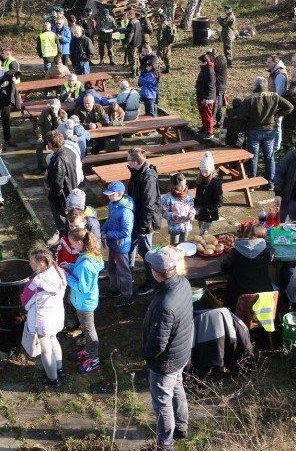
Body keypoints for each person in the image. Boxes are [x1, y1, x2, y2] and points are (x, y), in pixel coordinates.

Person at [141, 247, 193, 451]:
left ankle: (165, 445)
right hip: (181, 353)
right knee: (178, 387)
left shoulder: (165, 303)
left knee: (162, 404)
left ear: (156, 272)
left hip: (166, 362)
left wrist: (146, 355)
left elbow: (157, 344)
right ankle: (181, 427)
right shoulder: (184, 283)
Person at [234, 76, 293, 189]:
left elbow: (240, 114)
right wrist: (278, 114)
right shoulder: (274, 96)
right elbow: (290, 107)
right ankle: (271, 183)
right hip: (270, 131)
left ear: (256, 86)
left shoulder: (250, 99)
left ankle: (251, 184)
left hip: (254, 132)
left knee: (253, 157)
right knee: (269, 157)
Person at [22, 247, 67, 388]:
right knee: (54, 339)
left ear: (41, 264)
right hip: (57, 313)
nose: (30, 264)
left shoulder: (36, 282)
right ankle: (59, 369)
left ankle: (53, 379)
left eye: (32, 262)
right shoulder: (59, 271)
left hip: (43, 319)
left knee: (46, 351)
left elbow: (25, 302)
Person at [62, 228, 103, 373]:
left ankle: (94, 360)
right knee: (86, 329)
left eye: (72, 243)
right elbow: (81, 271)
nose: (71, 246)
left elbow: (82, 287)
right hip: (84, 301)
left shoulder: (86, 263)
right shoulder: (86, 255)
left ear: (80, 243)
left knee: (89, 330)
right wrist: (70, 266)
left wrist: (67, 277)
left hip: (84, 303)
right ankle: (88, 351)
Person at [127, 148, 162, 297]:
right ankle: (128, 275)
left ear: (135, 162)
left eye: (128, 160)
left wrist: (142, 227)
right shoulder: (136, 172)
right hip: (137, 217)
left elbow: (149, 205)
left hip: (145, 222)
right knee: (130, 247)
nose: (126, 162)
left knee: (146, 252)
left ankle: (151, 280)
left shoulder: (148, 177)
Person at [221, 224, 274, 312]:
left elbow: (224, 266)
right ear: (262, 238)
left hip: (237, 300)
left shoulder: (234, 252)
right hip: (263, 299)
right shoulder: (268, 252)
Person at [101, 181, 135, 308]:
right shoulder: (112, 203)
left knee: (123, 272)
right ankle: (114, 289)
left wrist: (107, 234)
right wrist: (103, 229)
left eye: (111, 194)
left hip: (121, 246)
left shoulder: (126, 212)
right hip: (113, 243)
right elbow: (109, 220)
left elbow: (126, 232)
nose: (108, 196)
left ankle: (127, 296)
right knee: (111, 267)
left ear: (120, 194)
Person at [45, 131, 80, 243]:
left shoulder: (57, 160)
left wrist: (52, 198)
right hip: (72, 191)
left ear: (50, 144)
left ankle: (65, 245)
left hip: (62, 197)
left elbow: (57, 184)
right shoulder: (70, 152)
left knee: (63, 225)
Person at [160, 173, 195, 245]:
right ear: (174, 185)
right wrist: (173, 215)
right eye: (180, 186)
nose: (183, 187)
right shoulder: (167, 198)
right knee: (174, 246)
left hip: (186, 226)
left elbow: (192, 207)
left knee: (184, 244)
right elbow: (163, 212)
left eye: (184, 185)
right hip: (174, 227)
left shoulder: (188, 196)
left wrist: (192, 214)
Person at [193, 152, 223, 235]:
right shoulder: (200, 180)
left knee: (204, 234)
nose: (204, 174)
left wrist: (202, 209)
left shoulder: (215, 184)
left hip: (208, 213)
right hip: (199, 212)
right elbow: (198, 196)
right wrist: (194, 206)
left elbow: (219, 203)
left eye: (206, 172)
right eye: (202, 171)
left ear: (211, 170)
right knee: (201, 230)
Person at [35, 99, 67, 173]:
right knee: (39, 145)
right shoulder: (45, 112)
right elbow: (39, 125)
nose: (53, 109)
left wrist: (57, 117)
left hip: (58, 136)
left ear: (59, 106)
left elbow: (62, 127)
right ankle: (40, 167)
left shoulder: (64, 114)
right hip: (46, 135)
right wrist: (39, 136)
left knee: (61, 148)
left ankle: (59, 166)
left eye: (55, 108)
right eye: (52, 107)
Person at [195, 53, 218, 140]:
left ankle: (210, 132)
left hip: (207, 98)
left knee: (208, 115)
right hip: (201, 96)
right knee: (203, 115)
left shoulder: (209, 71)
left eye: (200, 62)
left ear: (205, 62)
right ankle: (204, 129)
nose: (199, 63)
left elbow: (210, 86)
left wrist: (207, 98)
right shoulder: (204, 69)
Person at [125, 11, 144, 76]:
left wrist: (126, 43)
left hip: (132, 44)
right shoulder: (138, 21)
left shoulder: (131, 23)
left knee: (132, 58)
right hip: (138, 42)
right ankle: (137, 71)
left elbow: (130, 35)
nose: (126, 16)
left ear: (131, 15)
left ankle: (133, 73)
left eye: (127, 15)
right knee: (136, 58)